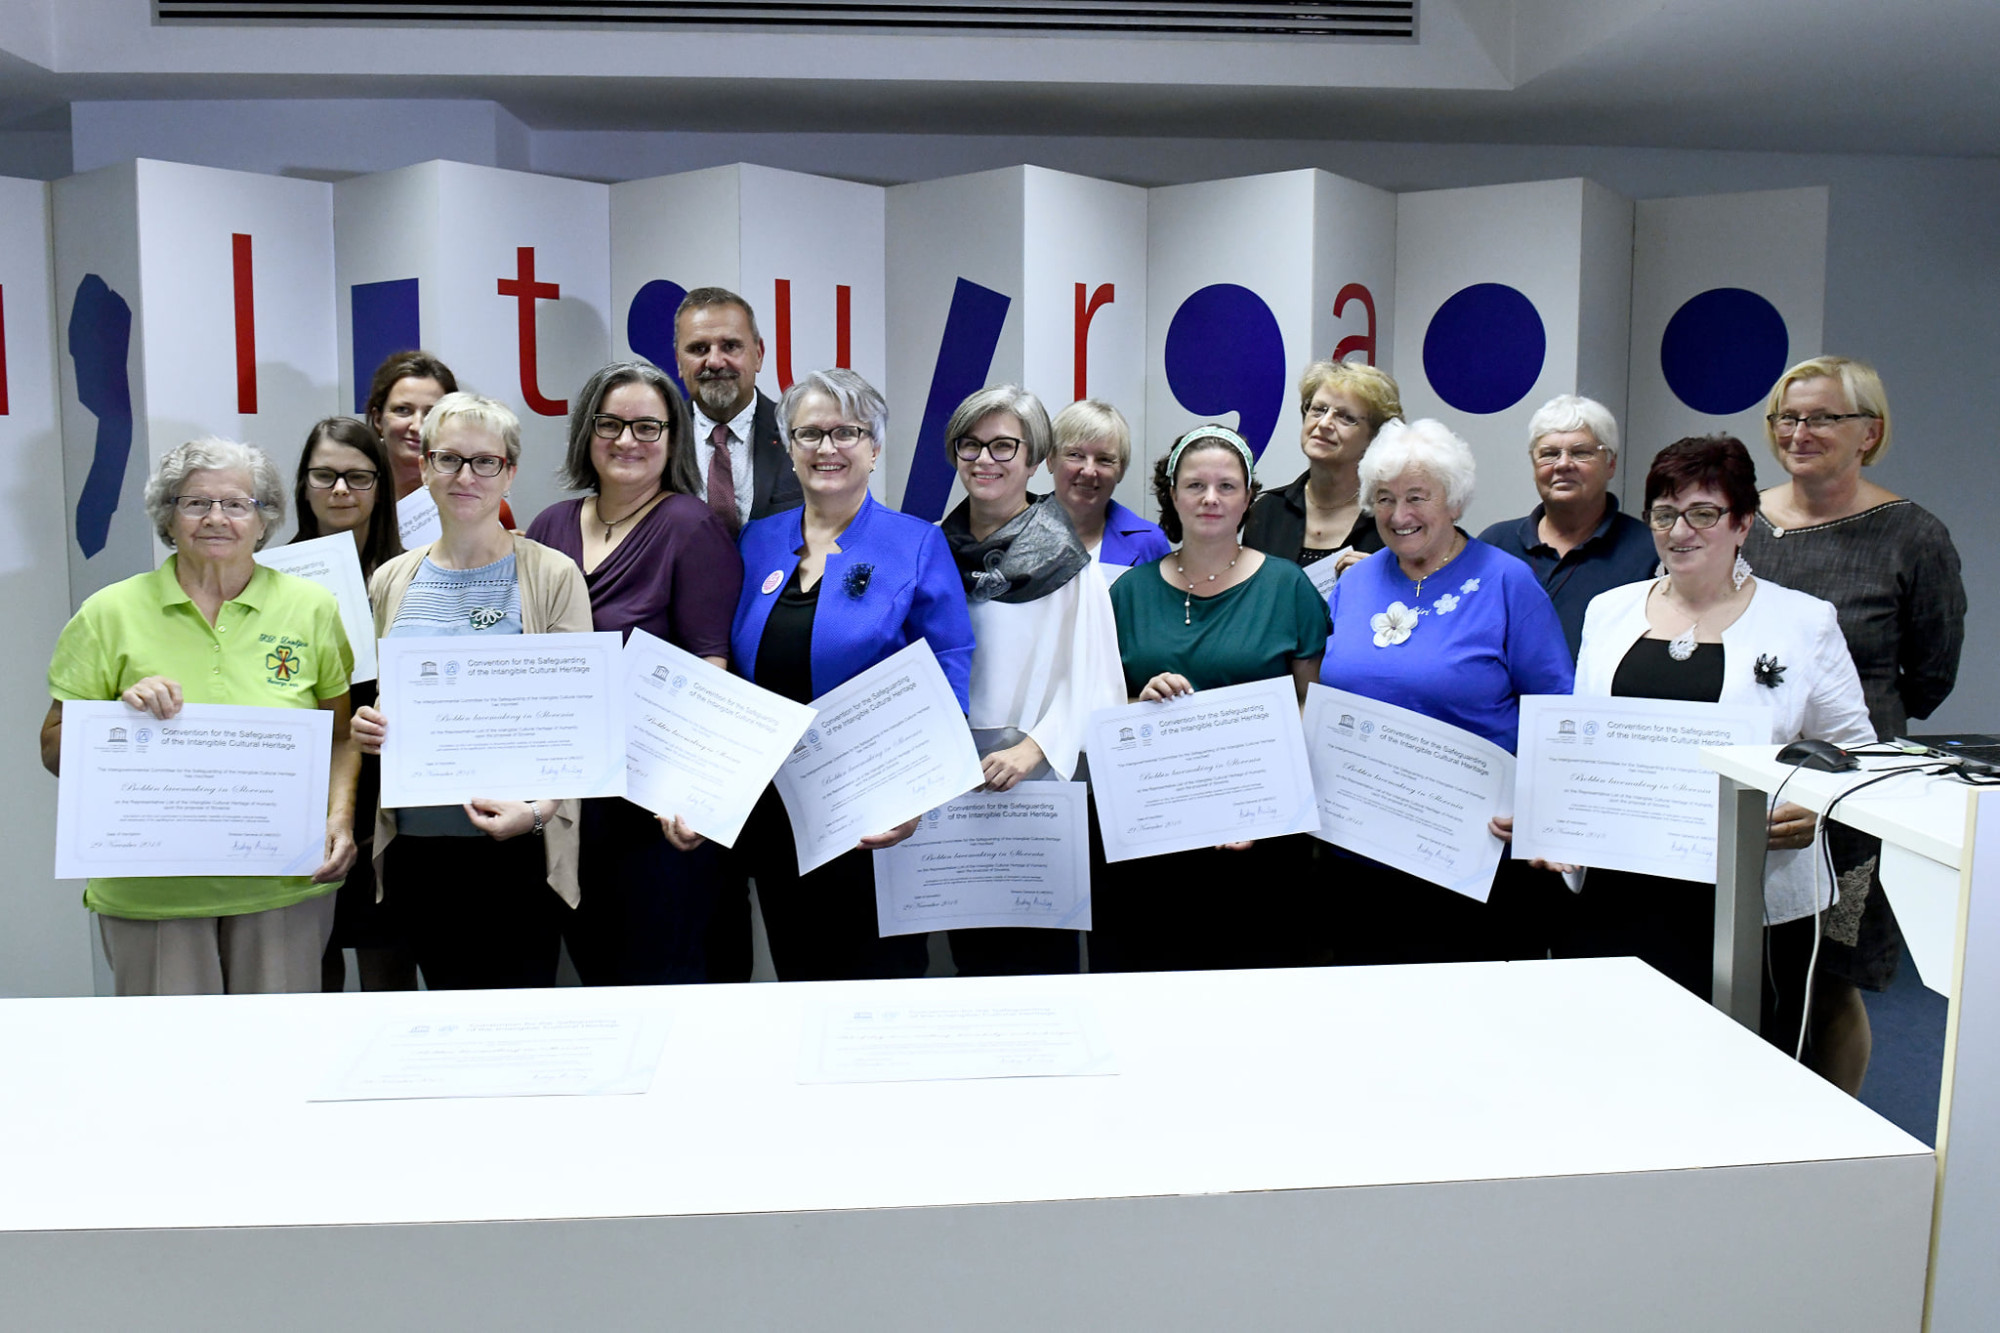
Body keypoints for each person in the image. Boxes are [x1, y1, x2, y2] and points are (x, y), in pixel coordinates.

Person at [1565, 436, 1876, 1020]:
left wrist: (1814, 808)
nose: (1680, 531)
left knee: (1736, 1047)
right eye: (1664, 513)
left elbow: (1857, 752)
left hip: (1747, 887)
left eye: (1703, 513)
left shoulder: (1803, 621)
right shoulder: (1608, 610)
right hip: (1620, 877)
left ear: (1743, 523)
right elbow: (1586, 738)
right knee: (1614, 1035)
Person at [40, 438, 359, 995]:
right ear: (167, 515)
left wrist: (339, 819)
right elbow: (52, 748)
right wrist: (115, 722)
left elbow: (339, 735)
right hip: (152, 892)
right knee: (168, 1050)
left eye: (236, 504)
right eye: (195, 503)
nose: (216, 518)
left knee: (279, 1044)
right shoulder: (108, 613)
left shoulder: (312, 607)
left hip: (282, 882)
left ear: (264, 519)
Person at [1743, 355, 1967, 1093]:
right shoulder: (1741, 521)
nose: (1799, 432)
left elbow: (1931, 676)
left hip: (1850, 796)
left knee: (1830, 978)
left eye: (1822, 418)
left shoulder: (1913, 535)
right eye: (1787, 418)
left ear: (1869, 432)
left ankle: (1832, 1135)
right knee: (1738, 964)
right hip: (1740, 779)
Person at [729, 368, 974, 981]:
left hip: (876, 810)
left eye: (847, 432)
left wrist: (918, 791)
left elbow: (950, 662)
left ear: (874, 448)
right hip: (776, 810)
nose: (827, 448)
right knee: (797, 973)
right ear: (789, 448)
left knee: (881, 983)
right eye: (809, 433)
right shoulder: (755, 541)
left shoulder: (915, 543)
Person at [350, 393, 592, 990]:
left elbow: (578, 720)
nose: (466, 477)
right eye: (449, 459)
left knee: (519, 1022)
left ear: (509, 473)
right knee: (445, 1016)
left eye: (485, 462)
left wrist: (538, 812)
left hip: (518, 847)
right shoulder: (391, 579)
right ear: (425, 466)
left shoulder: (552, 574)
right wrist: (370, 727)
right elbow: (384, 697)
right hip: (417, 848)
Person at [1321, 419, 1573, 964]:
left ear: (1454, 501)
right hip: (1359, 859)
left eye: (1417, 497)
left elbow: (1556, 713)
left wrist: (1540, 809)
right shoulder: (1354, 583)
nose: (1399, 515)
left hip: (1470, 861)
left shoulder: (1507, 582)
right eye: (1384, 498)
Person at [525, 362, 743, 985]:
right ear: (585, 433)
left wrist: (688, 794)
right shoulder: (549, 526)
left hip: (651, 808)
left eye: (648, 427)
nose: (627, 440)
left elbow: (711, 668)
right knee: (593, 977)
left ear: (673, 439)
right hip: (567, 804)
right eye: (610, 424)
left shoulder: (691, 527)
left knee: (658, 982)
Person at [1100, 424, 1330, 972]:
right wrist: (1139, 704)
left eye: (1227, 486)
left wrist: (1258, 803)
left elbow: (1312, 706)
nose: (1210, 498)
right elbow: (1101, 711)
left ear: (1248, 498)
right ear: (1172, 495)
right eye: (1195, 485)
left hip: (1259, 839)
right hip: (1155, 838)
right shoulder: (1128, 592)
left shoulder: (1287, 587)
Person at [936, 385, 1125, 976]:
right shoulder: (932, 551)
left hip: (1035, 782)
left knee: (1039, 960)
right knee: (965, 958)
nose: (984, 460)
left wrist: (1034, 748)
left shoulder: (1067, 562)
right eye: (970, 444)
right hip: (951, 783)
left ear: (1036, 457)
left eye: (1003, 446)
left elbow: (1097, 677)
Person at [290, 417, 416, 994]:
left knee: (387, 968)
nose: (341, 490)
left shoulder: (415, 575)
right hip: (304, 793)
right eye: (325, 475)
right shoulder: (265, 579)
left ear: (380, 487)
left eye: (359, 477)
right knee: (310, 969)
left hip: (390, 803)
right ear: (303, 485)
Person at [1477, 394, 1658, 656]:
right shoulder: (1495, 545)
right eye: (1549, 454)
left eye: (1580, 452)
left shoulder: (1648, 551)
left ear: (1611, 464)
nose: (1563, 464)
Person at [1242, 360, 1397, 576]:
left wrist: (1381, 583)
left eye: (1345, 417)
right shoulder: (1267, 512)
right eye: (1318, 409)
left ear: (1374, 437)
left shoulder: (1393, 516)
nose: (1324, 424)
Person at [674, 286, 806, 536]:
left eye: (730, 346)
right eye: (699, 349)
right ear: (679, 362)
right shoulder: (658, 440)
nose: (714, 362)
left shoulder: (801, 434)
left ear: (759, 354)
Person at [365, 349, 518, 530]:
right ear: (377, 419)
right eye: (403, 410)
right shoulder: (352, 502)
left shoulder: (489, 509)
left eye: (431, 413)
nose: (417, 426)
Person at [1045, 398, 1170, 574]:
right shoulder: (1016, 532)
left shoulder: (1149, 543)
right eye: (1075, 455)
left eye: (1104, 459)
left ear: (1121, 470)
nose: (1089, 471)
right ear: (1050, 459)